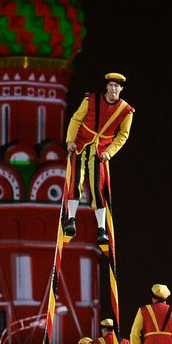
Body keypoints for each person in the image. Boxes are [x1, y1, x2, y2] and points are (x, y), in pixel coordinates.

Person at [63, 72, 135, 246]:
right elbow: (76, 119)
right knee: (76, 181)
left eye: (117, 86)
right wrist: (70, 140)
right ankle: (71, 220)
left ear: (121, 89)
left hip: (101, 150)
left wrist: (110, 152)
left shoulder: (126, 111)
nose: (113, 89)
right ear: (106, 86)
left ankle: (101, 229)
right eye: (111, 85)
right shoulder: (91, 100)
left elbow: (123, 135)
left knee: (97, 187)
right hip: (81, 144)